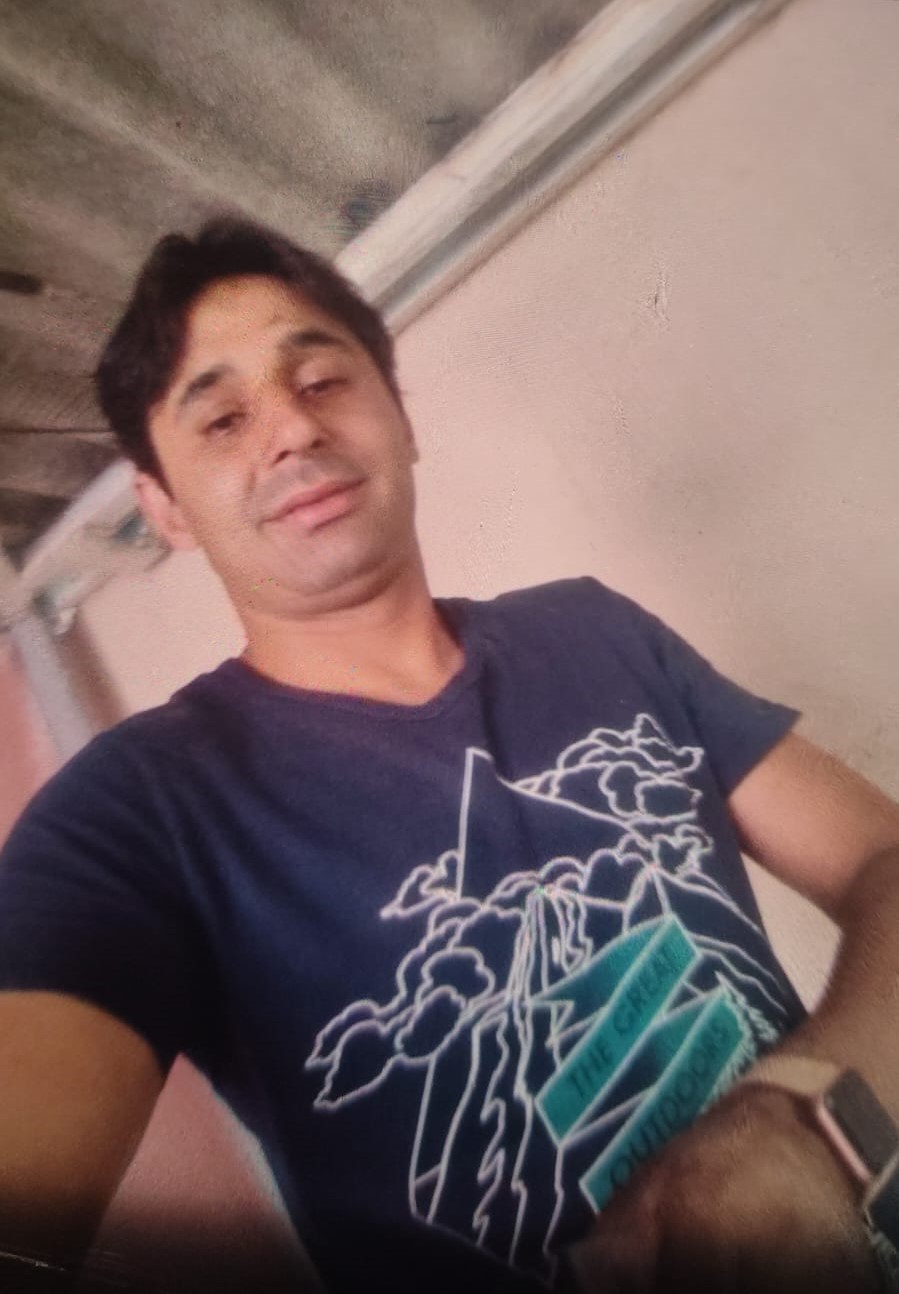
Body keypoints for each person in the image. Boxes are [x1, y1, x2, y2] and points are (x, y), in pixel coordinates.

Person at [1, 215, 898, 1294]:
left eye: (321, 380)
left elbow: (882, 860)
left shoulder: (595, 632)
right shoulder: (134, 814)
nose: (292, 430)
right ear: (163, 507)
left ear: (398, 413)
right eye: (224, 419)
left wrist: (803, 1119)